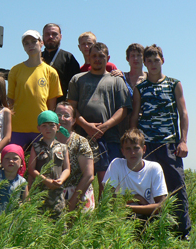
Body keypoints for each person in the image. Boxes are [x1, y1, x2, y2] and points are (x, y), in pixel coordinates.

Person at [130, 44, 191, 238]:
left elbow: (183, 113)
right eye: (149, 61)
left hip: (169, 145)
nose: (153, 64)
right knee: (148, 188)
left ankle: (182, 231)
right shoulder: (140, 88)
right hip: (147, 145)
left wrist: (184, 141)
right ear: (145, 63)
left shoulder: (174, 84)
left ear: (162, 60)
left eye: (156, 60)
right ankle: (151, 229)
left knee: (176, 186)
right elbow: (135, 116)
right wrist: (133, 139)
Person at [67, 42, 132, 195]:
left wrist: (105, 126)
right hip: (82, 137)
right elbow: (71, 108)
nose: (97, 59)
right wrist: (86, 126)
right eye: (94, 56)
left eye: (101, 56)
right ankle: (81, 215)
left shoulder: (116, 80)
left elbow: (124, 109)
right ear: (88, 57)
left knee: (108, 183)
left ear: (107, 58)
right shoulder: (77, 79)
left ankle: (104, 214)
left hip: (109, 137)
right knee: (80, 180)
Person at [8, 30, 62, 150]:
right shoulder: (15, 70)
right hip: (18, 128)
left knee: (42, 165)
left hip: (42, 128)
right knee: (15, 163)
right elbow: (10, 102)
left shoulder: (51, 72)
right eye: (26, 43)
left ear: (41, 43)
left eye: (33, 41)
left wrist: (48, 125)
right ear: (24, 47)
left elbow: (51, 106)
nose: (30, 45)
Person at [102, 128, 167, 216]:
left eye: (136, 148)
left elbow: (161, 206)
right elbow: (108, 199)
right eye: (128, 149)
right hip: (121, 218)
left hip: (148, 218)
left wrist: (127, 207)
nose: (132, 153)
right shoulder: (116, 164)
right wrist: (136, 198)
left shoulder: (154, 168)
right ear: (122, 151)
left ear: (144, 149)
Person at [28, 111, 70, 217]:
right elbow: (31, 169)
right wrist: (45, 180)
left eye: (52, 125)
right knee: (40, 221)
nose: (48, 129)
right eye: (44, 126)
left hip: (57, 193)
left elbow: (67, 169)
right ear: (39, 128)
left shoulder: (63, 147)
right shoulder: (36, 147)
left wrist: (61, 180)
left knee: (59, 222)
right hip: (41, 192)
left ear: (58, 127)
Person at [54, 102, 95, 212]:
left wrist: (72, 203)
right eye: (58, 115)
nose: (62, 119)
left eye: (66, 116)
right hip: (54, 196)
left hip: (79, 195)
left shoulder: (80, 142)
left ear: (73, 120)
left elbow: (89, 176)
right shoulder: (47, 141)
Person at [41, 23, 80, 103]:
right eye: (47, 34)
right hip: (39, 105)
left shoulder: (68, 58)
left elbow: (76, 87)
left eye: (54, 34)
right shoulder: (37, 58)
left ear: (60, 37)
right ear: (43, 37)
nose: (51, 37)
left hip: (60, 107)